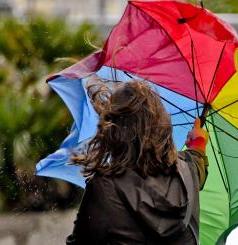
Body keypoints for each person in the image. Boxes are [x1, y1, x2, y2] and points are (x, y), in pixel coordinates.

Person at [66, 80, 209, 245]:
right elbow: (198, 160)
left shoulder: (104, 187)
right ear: (163, 127)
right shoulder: (188, 171)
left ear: (114, 132)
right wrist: (198, 142)